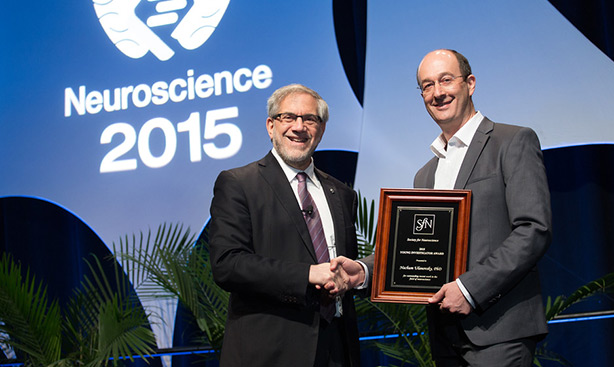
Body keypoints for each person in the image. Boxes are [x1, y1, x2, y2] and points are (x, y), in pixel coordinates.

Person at [332, 49, 552, 366]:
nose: (437, 93)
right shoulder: (425, 174)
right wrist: (365, 270)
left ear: (470, 83)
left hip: (499, 332)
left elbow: (534, 230)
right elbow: (414, 249)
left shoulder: (512, 141)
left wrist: (470, 289)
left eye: (446, 80)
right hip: (445, 337)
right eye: (427, 85)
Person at [208, 84, 361, 367]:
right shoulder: (239, 184)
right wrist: (306, 275)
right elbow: (227, 264)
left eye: (309, 119)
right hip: (271, 353)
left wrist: (359, 274)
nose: (299, 127)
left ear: (322, 128)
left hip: (338, 350)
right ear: (271, 125)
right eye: (288, 117)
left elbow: (345, 268)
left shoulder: (341, 194)